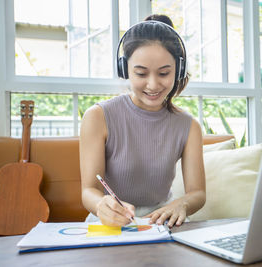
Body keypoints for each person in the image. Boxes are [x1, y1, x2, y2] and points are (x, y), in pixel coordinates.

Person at [79, 15, 205, 229]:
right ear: (124, 69)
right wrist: (102, 204)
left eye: (164, 73)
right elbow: (88, 190)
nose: (153, 84)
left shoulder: (189, 125)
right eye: (141, 73)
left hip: (162, 222)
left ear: (179, 70)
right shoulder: (97, 117)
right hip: (111, 221)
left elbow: (198, 193)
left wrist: (180, 204)